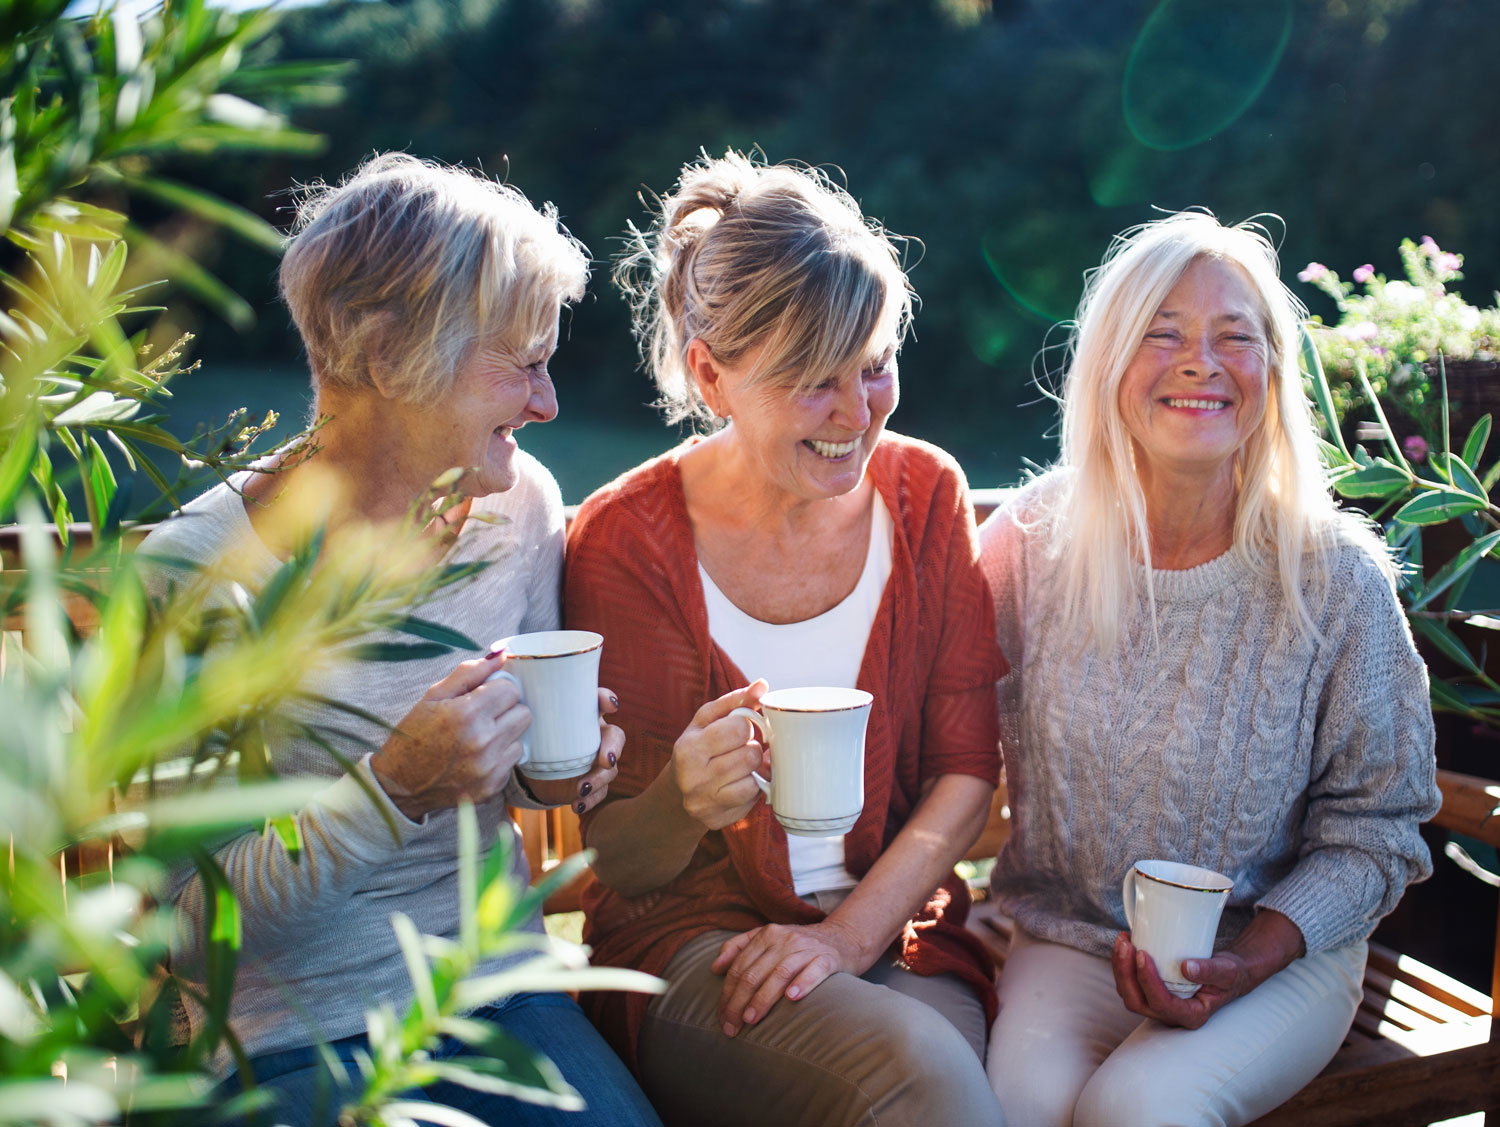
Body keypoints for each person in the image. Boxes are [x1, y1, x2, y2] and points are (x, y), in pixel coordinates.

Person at [140, 154, 659, 1127]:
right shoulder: (196, 576)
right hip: (280, 1036)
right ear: (384, 357)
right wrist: (391, 790)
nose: (548, 404)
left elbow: (523, 790)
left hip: (491, 986)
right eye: (522, 363)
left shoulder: (519, 507)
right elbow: (192, 930)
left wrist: (558, 766)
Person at [563, 150, 1007, 1126]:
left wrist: (846, 938)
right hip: (691, 949)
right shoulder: (626, 539)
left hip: (895, 936)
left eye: (877, 364)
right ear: (710, 373)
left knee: (950, 1084)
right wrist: (682, 795)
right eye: (816, 381)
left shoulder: (927, 493)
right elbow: (624, 863)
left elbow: (965, 773)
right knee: (926, 1084)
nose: (859, 416)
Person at [978, 211, 1442, 1127]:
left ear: (1273, 375)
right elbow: (934, 734)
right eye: (1163, 333)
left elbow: (1381, 827)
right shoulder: (1030, 543)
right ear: (1109, 361)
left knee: (1138, 1110)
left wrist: (1252, 959)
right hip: (1069, 937)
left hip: (1282, 954)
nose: (1202, 361)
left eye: (1237, 337)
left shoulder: (1336, 581)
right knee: (1010, 1110)